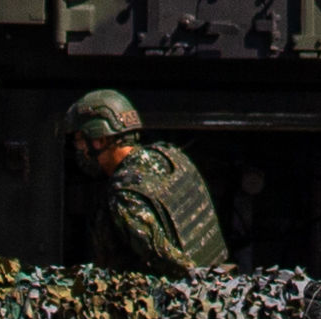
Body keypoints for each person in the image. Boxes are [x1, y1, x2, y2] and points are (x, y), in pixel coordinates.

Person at [68, 87, 228, 273]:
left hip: (180, 295)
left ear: (100, 140)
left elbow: (167, 261)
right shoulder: (169, 155)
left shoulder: (125, 193)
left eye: (80, 142)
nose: (80, 150)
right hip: (219, 279)